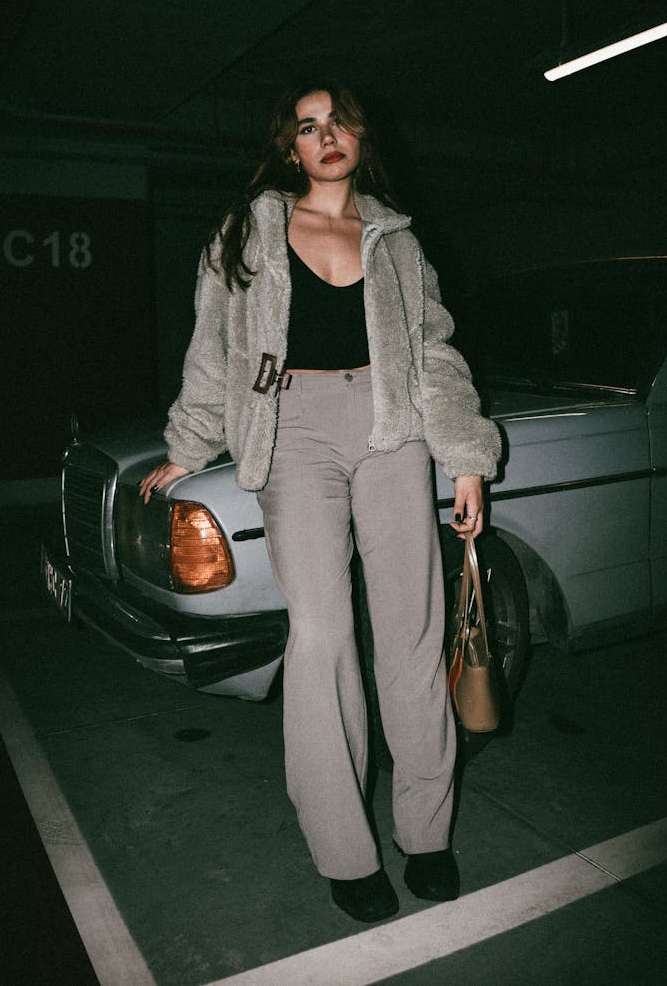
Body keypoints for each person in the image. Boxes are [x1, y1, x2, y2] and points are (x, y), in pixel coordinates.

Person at [139, 80, 500, 923]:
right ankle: (344, 844)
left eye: (337, 121)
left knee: (411, 630)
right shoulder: (249, 231)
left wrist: (467, 457)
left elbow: (436, 351)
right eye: (308, 127)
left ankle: (427, 829)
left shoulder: (397, 241)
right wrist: (186, 446)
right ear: (290, 148)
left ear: (358, 137)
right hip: (293, 429)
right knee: (322, 632)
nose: (325, 135)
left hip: (393, 426)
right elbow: (214, 347)